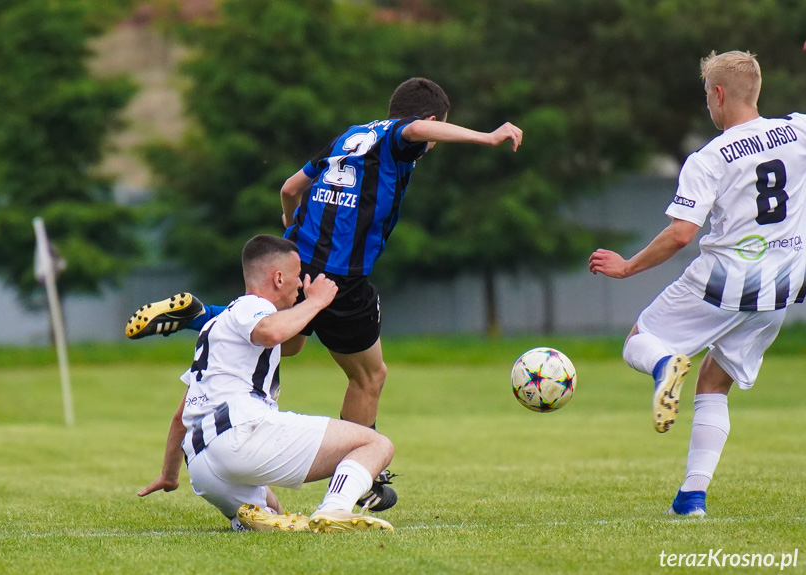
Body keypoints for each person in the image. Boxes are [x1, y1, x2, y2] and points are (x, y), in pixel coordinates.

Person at [127, 77, 524, 511]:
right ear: (430, 120)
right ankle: (363, 480)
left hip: (296, 265)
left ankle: (206, 315)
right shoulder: (397, 137)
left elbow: (288, 188)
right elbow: (415, 131)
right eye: (437, 133)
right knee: (370, 376)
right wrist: (487, 136)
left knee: (290, 344)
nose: (432, 144)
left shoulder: (350, 136)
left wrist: (289, 227)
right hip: (340, 280)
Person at [589, 50, 806, 517]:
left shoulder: (709, 157)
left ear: (719, 94)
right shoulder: (799, 131)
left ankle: (666, 363)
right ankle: (691, 499)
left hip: (724, 281)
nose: (708, 106)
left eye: (708, 95)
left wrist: (627, 267)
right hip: (783, 286)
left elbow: (681, 233)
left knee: (639, 343)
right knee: (713, 384)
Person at [138, 234, 395, 533]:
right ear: (278, 278)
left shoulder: (215, 326)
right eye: (298, 277)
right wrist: (317, 301)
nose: (300, 285)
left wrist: (170, 475)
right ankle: (335, 508)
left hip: (203, 465)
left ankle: (245, 518)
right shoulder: (253, 307)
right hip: (239, 436)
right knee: (375, 443)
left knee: (272, 512)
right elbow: (271, 332)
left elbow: (181, 416)